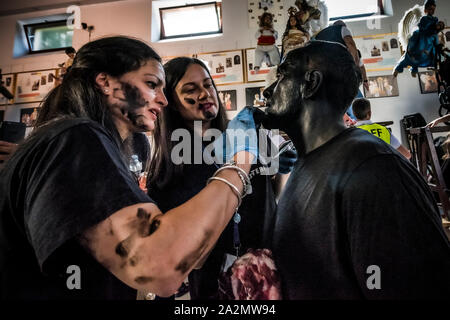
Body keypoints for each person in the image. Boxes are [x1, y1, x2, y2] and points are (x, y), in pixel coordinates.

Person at [0, 36, 258, 299]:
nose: (163, 100)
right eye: (151, 84)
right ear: (105, 82)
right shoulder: (77, 137)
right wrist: (241, 162)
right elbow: (158, 265)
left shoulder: (85, 142)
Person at [262, 40, 450, 299]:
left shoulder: (373, 167)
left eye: (282, 76)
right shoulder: (301, 165)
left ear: (310, 84)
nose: (266, 91)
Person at [147, 57, 294, 299]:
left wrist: (280, 170)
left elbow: (269, 199)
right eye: (190, 89)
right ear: (171, 102)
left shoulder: (244, 137)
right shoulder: (170, 166)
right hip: (215, 284)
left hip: (267, 274)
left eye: (208, 85)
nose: (205, 94)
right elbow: (182, 250)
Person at [393, 0, 445, 78]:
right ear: (426, 10)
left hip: (431, 36)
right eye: (430, 9)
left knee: (435, 45)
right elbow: (422, 28)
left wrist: (438, 27)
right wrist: (433, 28)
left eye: (433, 9)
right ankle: (404, 62)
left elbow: (436, 28)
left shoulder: (435, 19)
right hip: (423, 35)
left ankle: (435, 59)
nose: (432, 11)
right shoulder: (424, 19)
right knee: (415, 43)